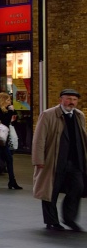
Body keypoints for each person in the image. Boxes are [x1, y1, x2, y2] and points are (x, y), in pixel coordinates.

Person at [32, 88, 87, 231]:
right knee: (51, 190)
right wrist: (39, 159)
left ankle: (69, 219)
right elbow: (39, 138)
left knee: (78, 187)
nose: (71, 102)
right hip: (54, 160)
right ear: (60, 100)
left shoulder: (79, 116)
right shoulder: (48, 115)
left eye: (74, 100)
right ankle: (51, 221)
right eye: (68, 99)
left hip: (75, 161)